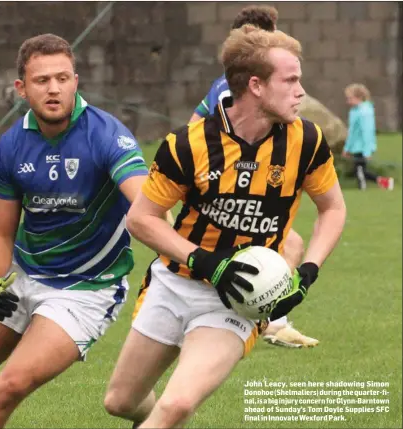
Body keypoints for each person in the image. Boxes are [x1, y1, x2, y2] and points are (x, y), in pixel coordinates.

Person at [104, 25, 346, 428]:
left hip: (237, 300)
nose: (301, 91)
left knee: (176, 405)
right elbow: (141, 219)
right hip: (176, 281)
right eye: (291, 80)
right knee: (120, 401)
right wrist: (206, 262)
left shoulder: (306, 141)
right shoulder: (188, 144)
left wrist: (308, 270)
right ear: (256, 85)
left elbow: (333, 208)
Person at [0, 33, 151, 429]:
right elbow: (0, 234)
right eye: (42, 80)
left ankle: (149, 412)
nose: (54, 88)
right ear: (21, 89)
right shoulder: (12, 146)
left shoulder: (107, 134)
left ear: (75, 80)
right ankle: (145, 405)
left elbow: (144, 202)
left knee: (8, 386)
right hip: (24, 275)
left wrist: (162, 228)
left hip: (86, 289)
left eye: (63, 78)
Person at [189, 4, 318, 348]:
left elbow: (194, 124)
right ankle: (268, 317)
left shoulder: (222, 85)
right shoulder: (242, 90)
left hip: (233, 185)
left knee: (290, 242)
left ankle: (270, 317)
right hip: (236, 187)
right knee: (288, 243)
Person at [342, 83, 394, 190]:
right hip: (356, 147)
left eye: (350, 98)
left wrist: (367, 151)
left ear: (359, 97)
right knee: (359, 170)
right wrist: (347, 149)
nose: (348, 102)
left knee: (360, 171)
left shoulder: (365, 112)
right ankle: (384, 182)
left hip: (362, 147)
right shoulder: (354, 111)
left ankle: (364, 188)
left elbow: (367, 132)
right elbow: (352, 133)